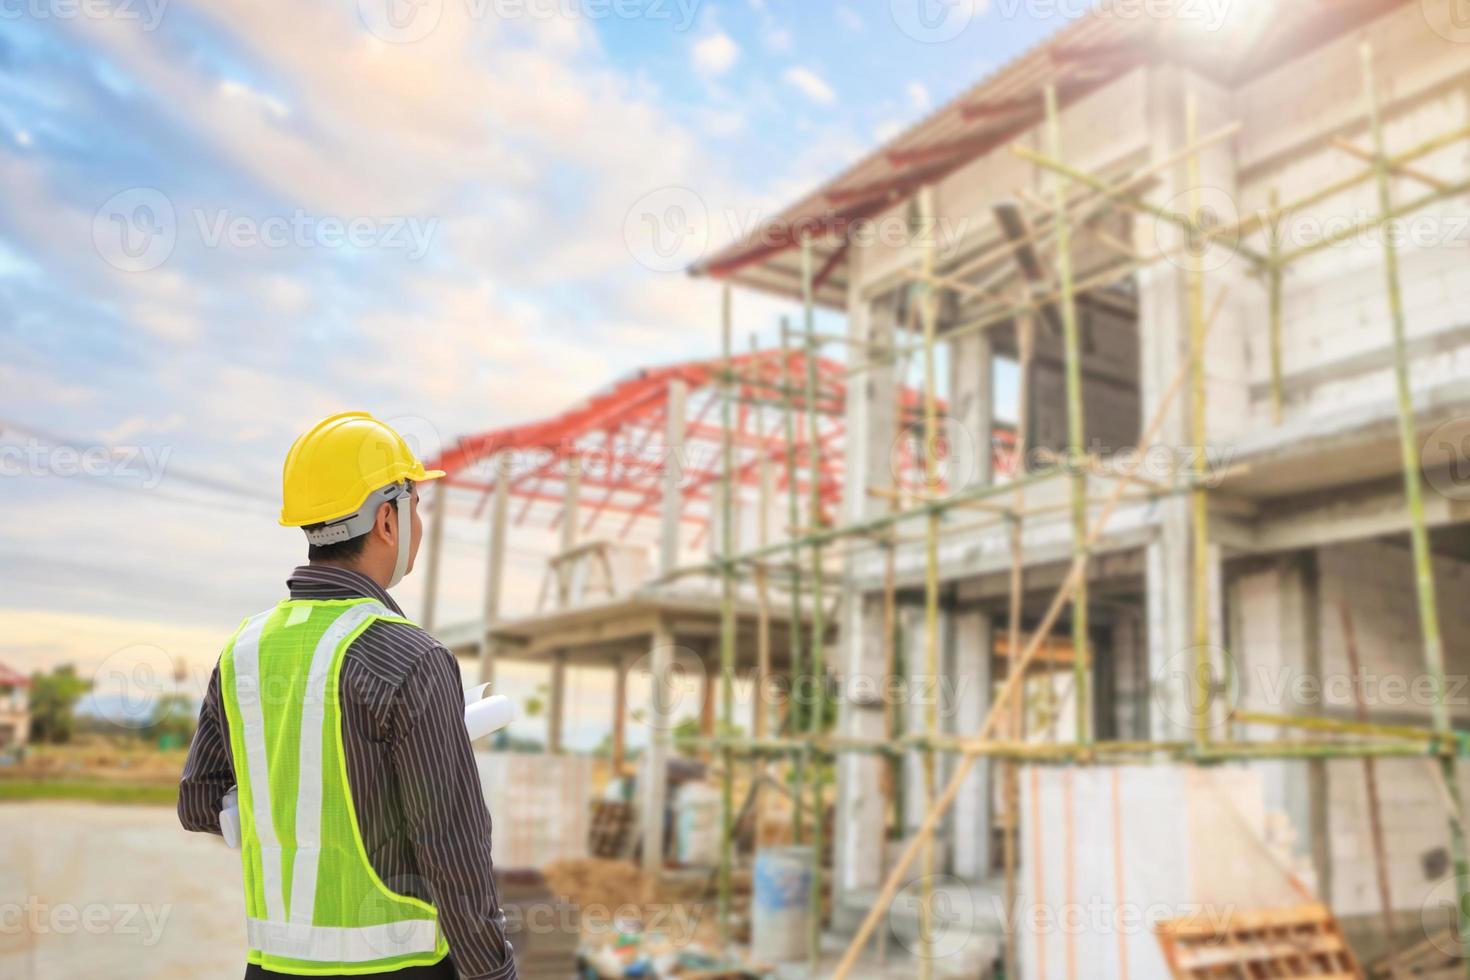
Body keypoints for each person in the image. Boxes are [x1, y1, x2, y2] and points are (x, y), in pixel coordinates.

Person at [179, 411, 516, 980]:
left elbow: (199, 804)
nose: (419, 522)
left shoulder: (245, 649)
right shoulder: (412, 658)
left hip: (272, 965)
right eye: (416, 505)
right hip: (396, 967)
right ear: (388, 518)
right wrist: (494, 972)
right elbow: (451, 846)